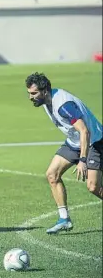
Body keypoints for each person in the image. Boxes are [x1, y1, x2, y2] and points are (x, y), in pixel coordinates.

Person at [25, 72, 103, 234]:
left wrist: (83, 159)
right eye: (29, 93)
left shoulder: (63, 105)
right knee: (52, 175)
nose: (30, 97)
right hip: (74, 142)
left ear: (45, 90)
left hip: (94, 142)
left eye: (34, 93)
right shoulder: (46, 101)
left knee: (93, 187)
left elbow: (84, 131)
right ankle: (64, 219)